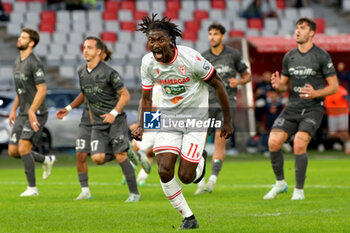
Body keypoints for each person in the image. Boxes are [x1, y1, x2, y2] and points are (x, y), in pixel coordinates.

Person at [133, 14, 233, 230]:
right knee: (163, 169)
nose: (155, 45)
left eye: (160, 40)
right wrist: (142, 124)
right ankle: (189, 218)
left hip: (196, 120)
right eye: (151, 40)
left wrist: (227, 121)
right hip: (168, 119)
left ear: (170, 40)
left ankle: (200, 162)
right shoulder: (148, 62)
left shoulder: (191, 59)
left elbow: (219, 85)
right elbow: (146, 97)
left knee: (186, 177)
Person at [58, 36, 141, 202]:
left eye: (89, 47)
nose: (85, 50)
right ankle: (125, 150)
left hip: (115, 120)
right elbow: (85, 93)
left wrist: (114, 113)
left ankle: (134, 194)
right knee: (97, 159)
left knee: (119, 156)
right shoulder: (81, 72)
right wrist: (68, 108)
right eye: (84, 47)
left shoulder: (109, 72)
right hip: (97, 123)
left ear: (99, 52)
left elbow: (125, 95)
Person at [263, 17, 338, 201]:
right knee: (273, 142)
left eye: (302, 28)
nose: (298, 31)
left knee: (299, 142)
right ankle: (280, 183)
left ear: (312, 32)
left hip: (313, 108)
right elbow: (284, 86)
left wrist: (315, 93)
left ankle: (299, 191)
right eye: (296, 28)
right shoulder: (289, 57)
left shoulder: (321, 56)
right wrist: (277, 86)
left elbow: (334, 86)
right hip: (292, 107)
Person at [194, 23, 251, 195]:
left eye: (216, 34)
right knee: (199, 141)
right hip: (207, 103)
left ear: (222, 36)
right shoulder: (203, 57)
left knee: (220, 139)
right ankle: (200, 181)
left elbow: (246, 75)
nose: (212, 37)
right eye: (210, 33)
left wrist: (239, 81)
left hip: (227, 103)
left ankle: (212, 180)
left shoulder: (233, 55)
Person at [8, 28, 56, 197]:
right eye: (20, 36)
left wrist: (32, 110)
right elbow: (20, 89)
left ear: (31, 43)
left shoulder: (34, 63)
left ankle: (32, 188)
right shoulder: (17, 61)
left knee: (23, 148)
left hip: (37, 113)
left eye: (23, 38)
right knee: (13, 151)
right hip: (22, 112)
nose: (19, 39)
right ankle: (46, 160)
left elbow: (42, 90)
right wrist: (13, 109)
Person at [325, 85, 350, 154]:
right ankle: (343, 139)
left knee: (344, 130)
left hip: (342, 111)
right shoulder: (326, 89)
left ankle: (348, 147)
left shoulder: (340, 88)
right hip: (332, 113)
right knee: (332, 133)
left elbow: (347, 97)